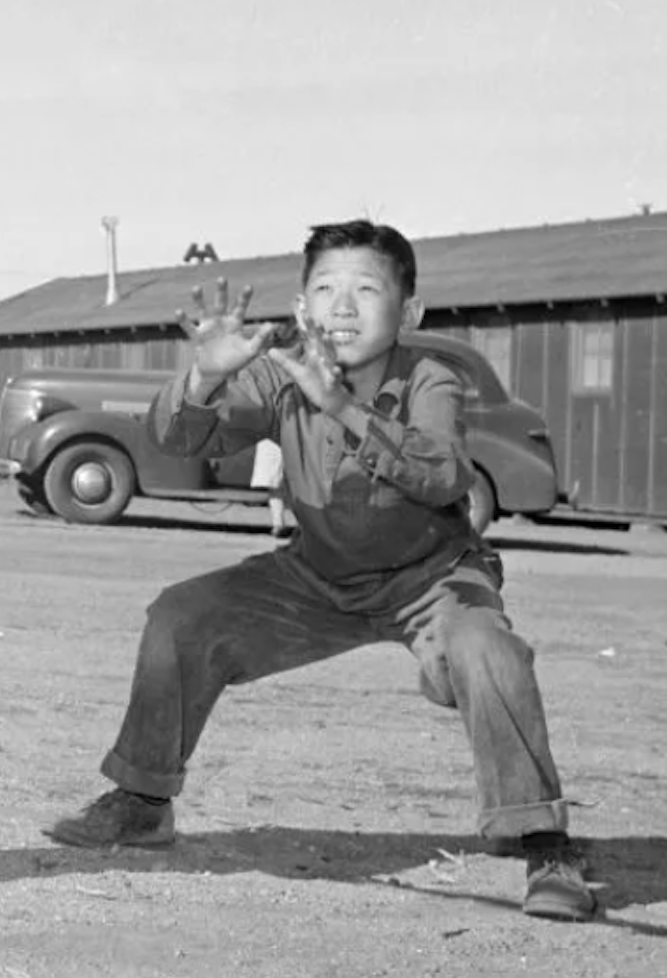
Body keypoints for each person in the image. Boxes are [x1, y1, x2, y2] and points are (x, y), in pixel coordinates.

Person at [44, 220, 596, 922]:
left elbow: (441, 473)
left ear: (410, 313)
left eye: (367, 290)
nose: (343, 307)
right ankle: (143, 803)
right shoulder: (280, 376)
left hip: (432, 581)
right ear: (303, 309)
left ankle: (544, 844)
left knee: (486, 651)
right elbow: (176, 439)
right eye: (326, 290)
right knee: (182, 618)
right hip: (317, 579)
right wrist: (208, 374)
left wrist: (342, 406)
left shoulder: (433, 378)